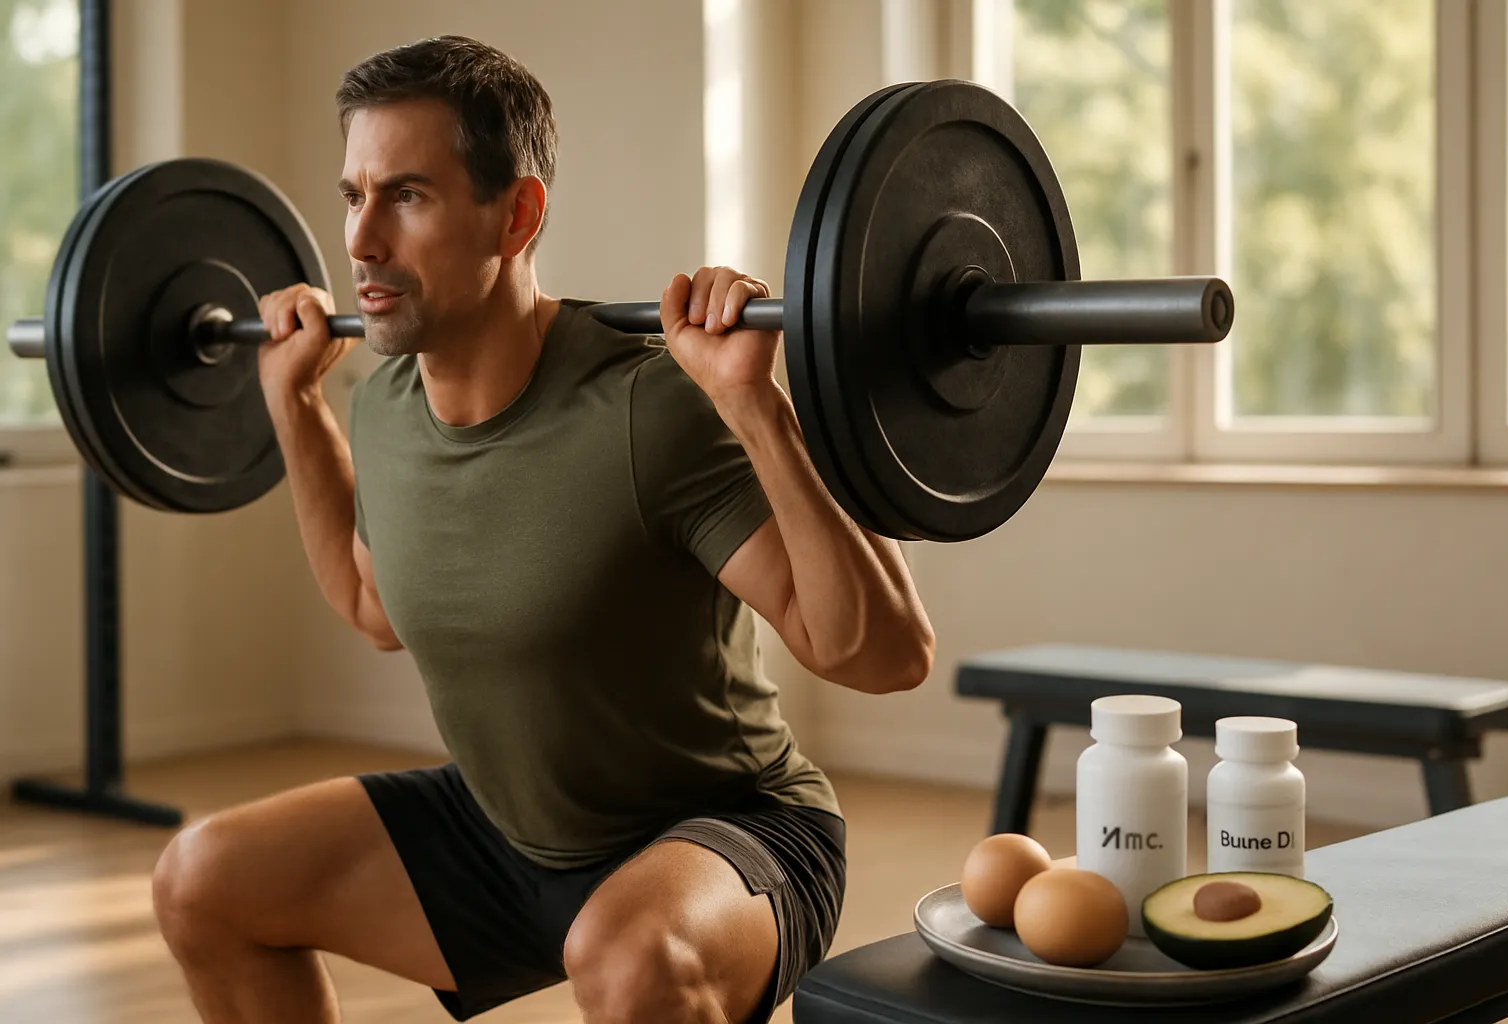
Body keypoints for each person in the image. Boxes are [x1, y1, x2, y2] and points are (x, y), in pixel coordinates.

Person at [150, 34, 934, 1024]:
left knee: (632, 954)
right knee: (205, 878)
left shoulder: (649, 412)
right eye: (354, 196)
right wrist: (296, 410)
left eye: (408, 195)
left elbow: (882, 656)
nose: (360, 241)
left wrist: (756, 409)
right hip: (508, 830)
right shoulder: (386, 406)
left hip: (729, 835)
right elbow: (372, 604)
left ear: (515, 216)